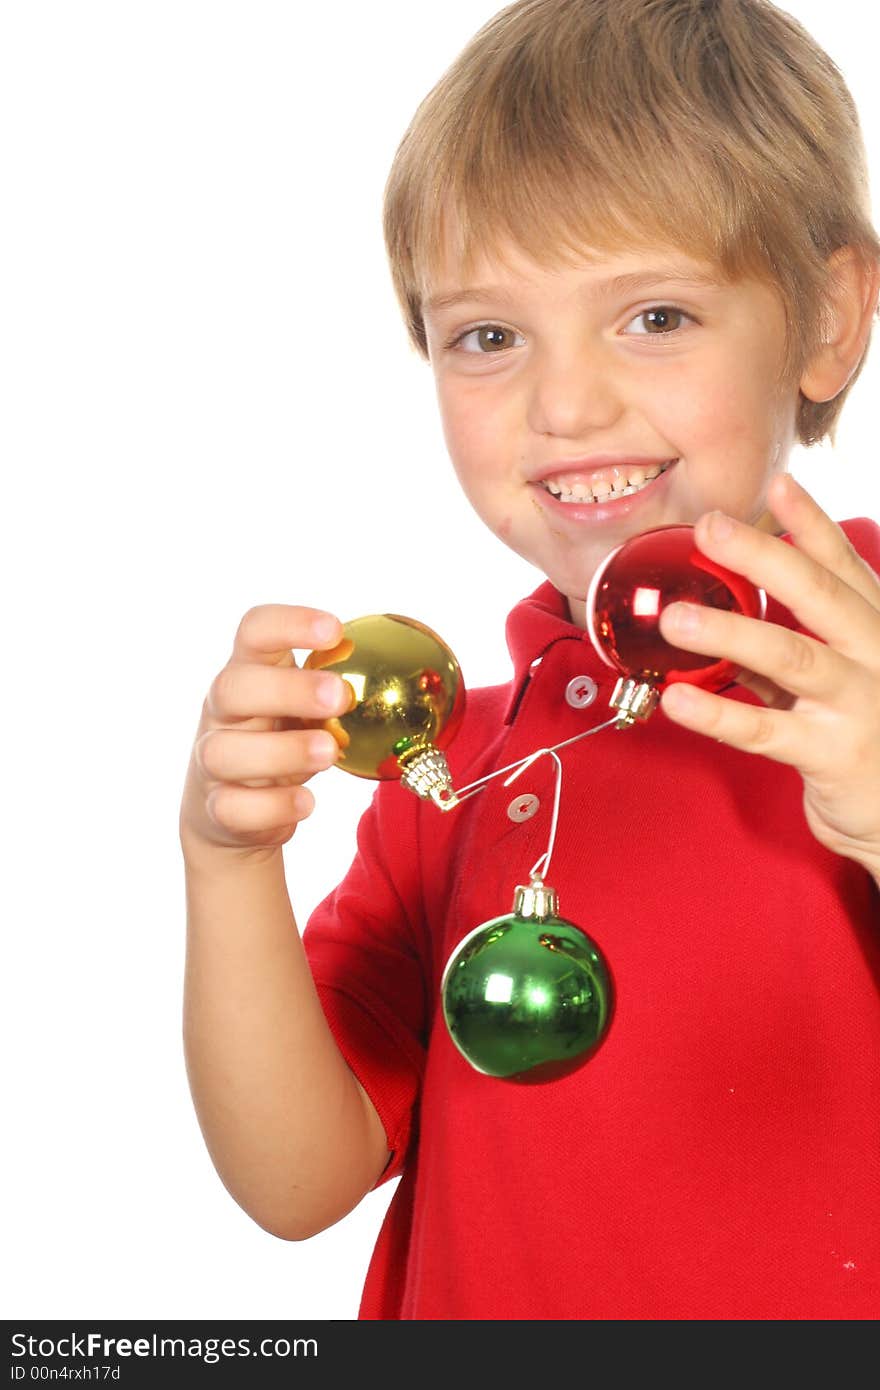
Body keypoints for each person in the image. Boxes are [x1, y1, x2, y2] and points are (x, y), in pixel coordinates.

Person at [179, 0, 880, 1319]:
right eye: (488, 336)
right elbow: (296, 1179)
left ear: (828, 317)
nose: (563, 407)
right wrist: (228, 864)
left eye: (656, 315)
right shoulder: (461, 762)